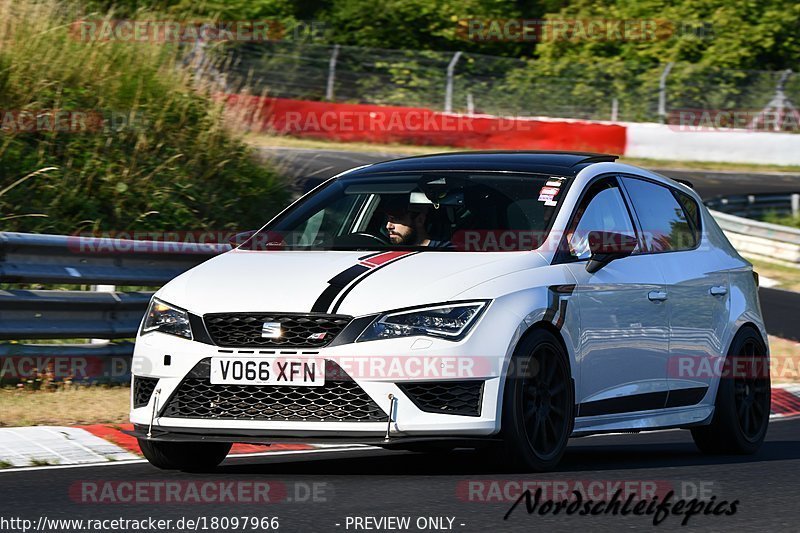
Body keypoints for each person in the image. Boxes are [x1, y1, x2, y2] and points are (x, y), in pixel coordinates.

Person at [383, 200, 451, 248]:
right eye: (387, 220)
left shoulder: (447, 252)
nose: (388, 226)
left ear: (420, 220)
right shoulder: (383, 252)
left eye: (397, 219)